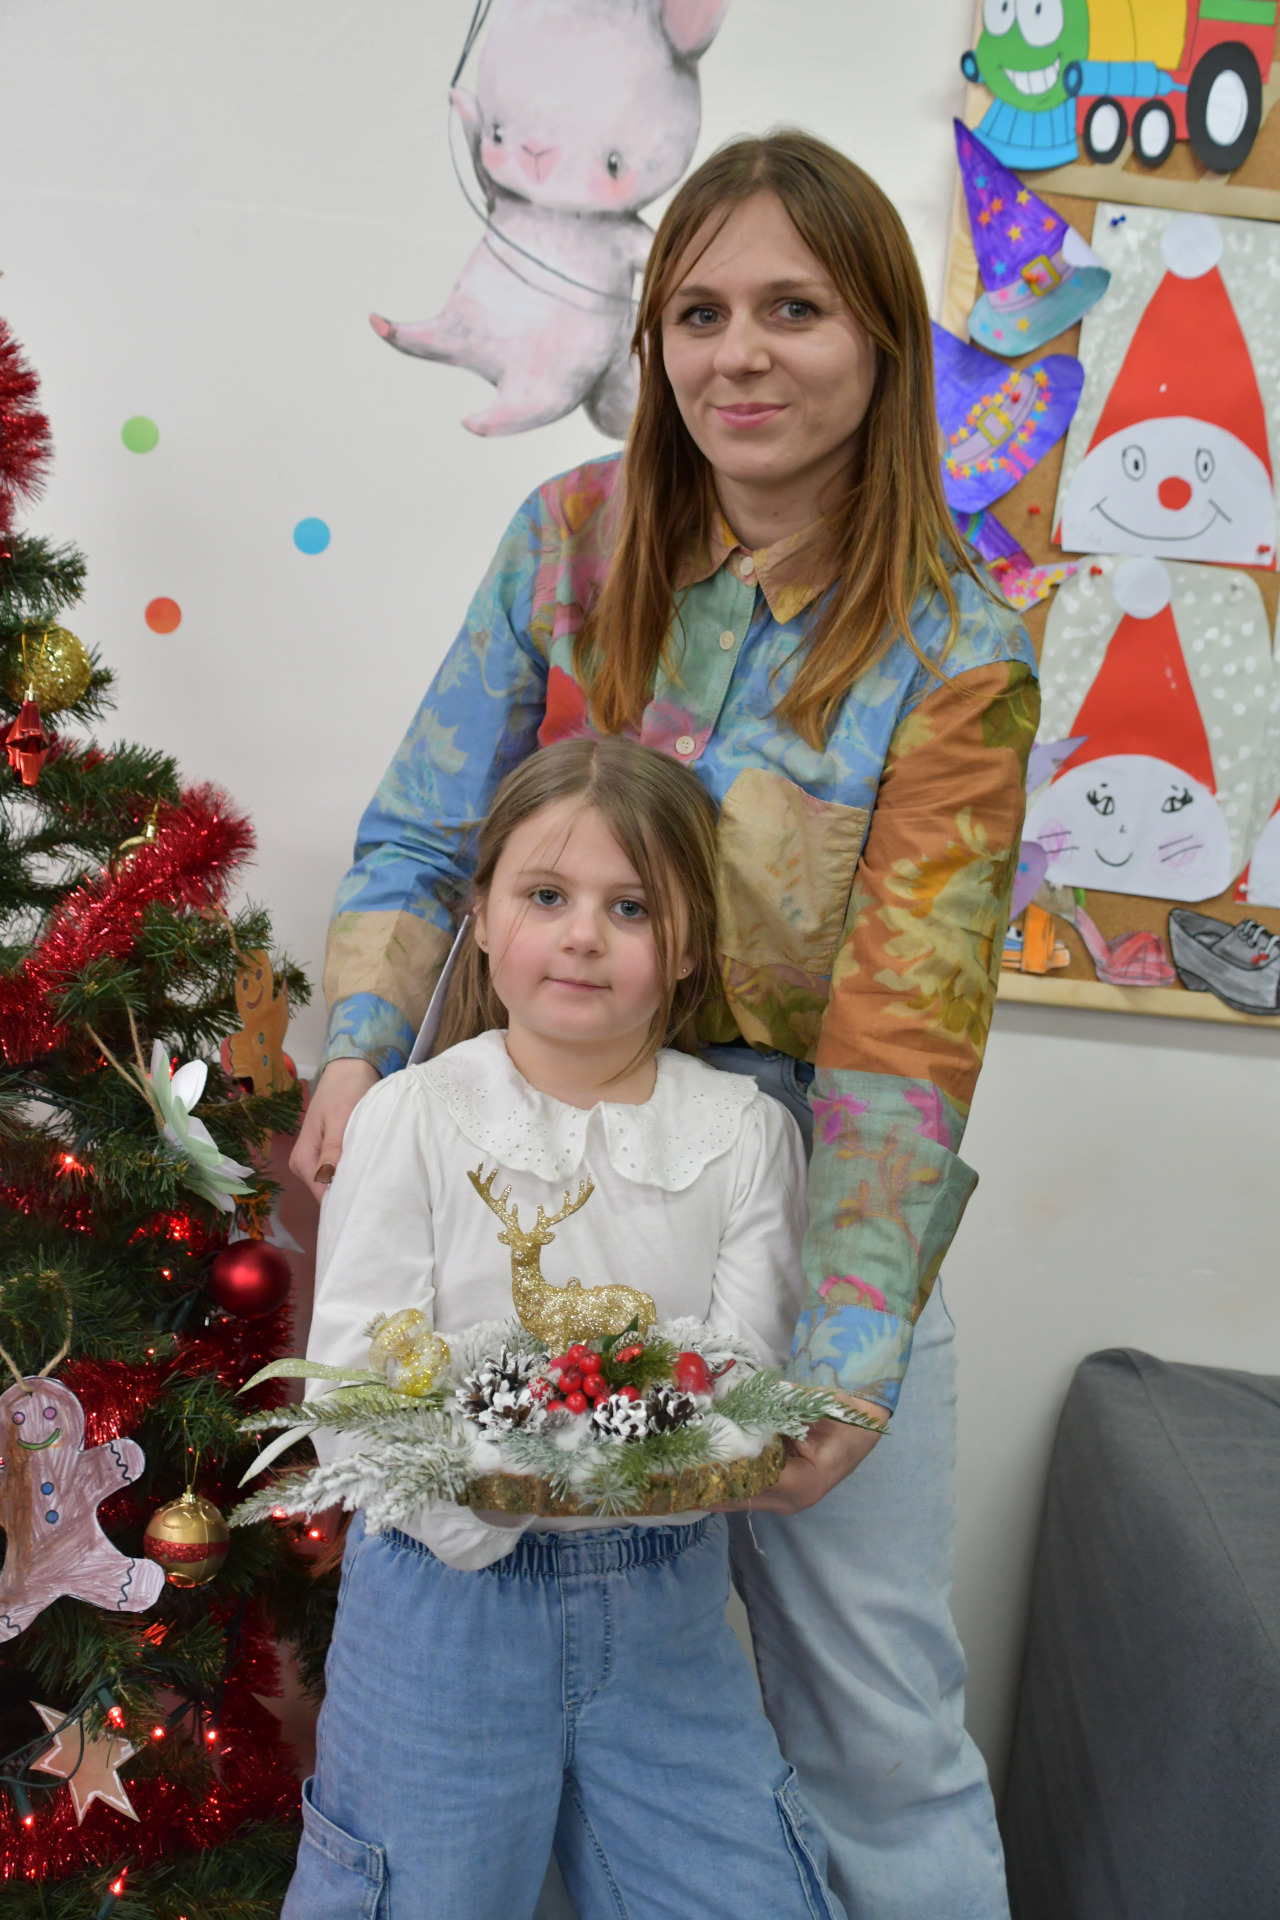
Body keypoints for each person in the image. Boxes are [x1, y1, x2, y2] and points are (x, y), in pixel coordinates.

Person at [293, 130, 1039, 1920]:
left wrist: (842, 1359)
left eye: (794, 309)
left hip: (807, 1208)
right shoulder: (570, 539)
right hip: (524, 1179)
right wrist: (359, 1053)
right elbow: (424, 830)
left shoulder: (957, 648)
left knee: (872, 1718)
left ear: (881, 340)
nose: (739, 355)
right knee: (511, 1667)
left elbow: (906, 1035)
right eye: (699, 313)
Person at [287, 737, 846, 1920]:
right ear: (483, 918)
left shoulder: (744, 1136)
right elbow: (354, 1399)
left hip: (666, 1614)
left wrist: (568, 1441)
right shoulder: (411, 1119)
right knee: (418, 1896)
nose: (583, 935)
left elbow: (740, 1383)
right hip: (440, 1607)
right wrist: (504, 1483)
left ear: (685, 946)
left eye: (629, 907)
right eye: (546, 896)